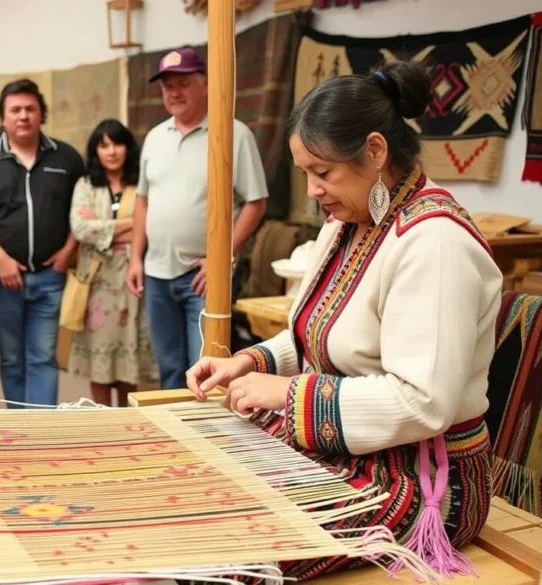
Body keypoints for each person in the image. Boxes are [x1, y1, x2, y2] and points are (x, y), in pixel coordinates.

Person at [185, 61, 501, 580]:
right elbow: (318, 335)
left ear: (376, 151)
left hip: (418, 479)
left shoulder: (434, 243)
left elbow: (423, 402)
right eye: (306, 172)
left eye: (323, 172)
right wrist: (248, 362)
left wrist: (283, 395)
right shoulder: (349, 222)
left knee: (229, 548)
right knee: (194, 487)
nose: (312, 190)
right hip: (348, 450)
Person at [127, 47, 268, 390]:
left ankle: (206, 440)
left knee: (206, 371)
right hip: (156, 274)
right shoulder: (155, 138)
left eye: (183, 83)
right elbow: (142, 201)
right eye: (167, 86)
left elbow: (256, 202)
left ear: (205, 84)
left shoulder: (232, 133)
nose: (174, 92)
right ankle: (173, 442)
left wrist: (220, 259)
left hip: (204, 277)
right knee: (170, 370)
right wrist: (135, 258)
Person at [0, 78, 86, 408]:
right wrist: (0, 259)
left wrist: (68, 251)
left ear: (42, 114)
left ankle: (42, 433)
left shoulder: (67, 158)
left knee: (43, 357)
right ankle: (19, 428)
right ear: (3, 117)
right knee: (12, 359)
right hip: (3, 281)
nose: (23, 116)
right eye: (15, 110)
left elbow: (87, 209)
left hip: (49, 278)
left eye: (31, 109)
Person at [67, 119, 157, 407]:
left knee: (128, 356)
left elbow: (153, 223)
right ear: (95, 151)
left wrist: (105, 227)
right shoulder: (86, 185)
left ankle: (127, 416)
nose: (111, 151)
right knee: (100, 357)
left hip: (134, 275)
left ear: (128, 148)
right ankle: (101, 417)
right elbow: (80, 227)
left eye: (117, 143)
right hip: (98, 280)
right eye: (103, 145)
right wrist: (132, 224)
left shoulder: (142, 185)